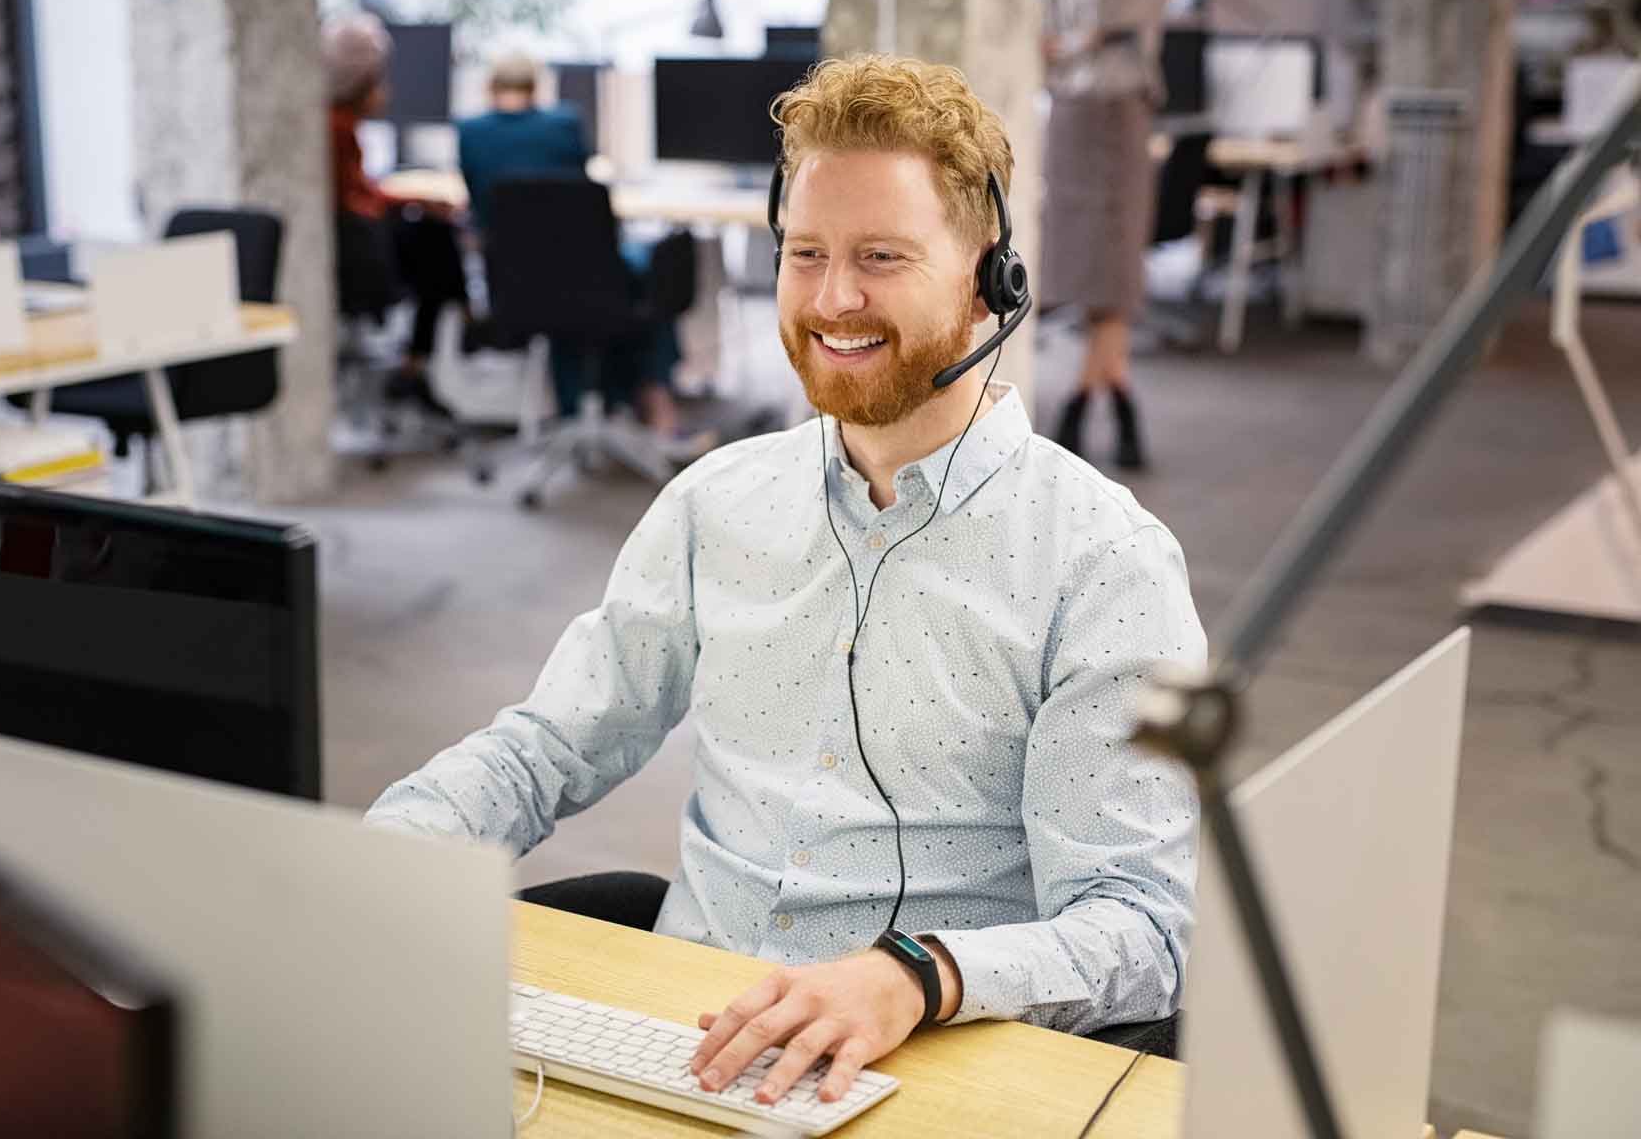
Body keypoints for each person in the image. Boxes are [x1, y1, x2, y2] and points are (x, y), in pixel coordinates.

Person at [367, 54, 1203, 1107]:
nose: (833, 298)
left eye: (882, 256)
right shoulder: (715, 503)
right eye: (804, 253)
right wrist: (371, 864)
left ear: (989, 273)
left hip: (932, 1067)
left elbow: (1142, 926)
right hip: (688, 1041)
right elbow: (550, 745)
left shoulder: (1100, 562)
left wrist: (920, 977)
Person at [456, 53, 704, 454]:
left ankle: (583, 408)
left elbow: (478, 208)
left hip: (517, 288)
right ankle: (653, 400)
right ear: (536, 89)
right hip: (586, 279)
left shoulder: (469, 132)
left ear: (490, 89)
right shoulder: (563, 124)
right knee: (644, 274)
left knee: (572, 296)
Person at [1040, 0, 1182, 469]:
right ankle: (1116, 388)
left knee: (1117, 266)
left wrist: (1080, 40)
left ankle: (1081, 397)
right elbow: (1048, 44)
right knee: (1078, 263)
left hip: (1124, 119)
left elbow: (1120, 23)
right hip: (1071, 119)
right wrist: (1088, 41)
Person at [323, 13, 469, 403]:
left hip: (359, 248)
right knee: (436, 240)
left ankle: (435, 343)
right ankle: (440, 342)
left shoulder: (339, 125)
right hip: (362, 261)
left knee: (433, 236)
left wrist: (411, 198)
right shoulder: (336, 127)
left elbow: (360, 192)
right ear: (361, 82)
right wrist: (416, 200)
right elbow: (357, 201)